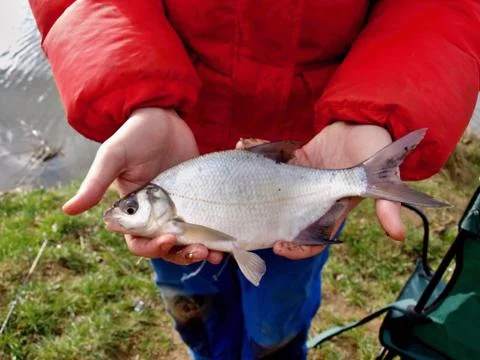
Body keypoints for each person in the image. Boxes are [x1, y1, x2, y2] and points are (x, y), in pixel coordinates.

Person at [29, 1, 480, 358]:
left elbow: (443, 9)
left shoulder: (175, 199)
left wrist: (374, 114)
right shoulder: (166, 185)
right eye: (132, 210)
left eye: (131, 209)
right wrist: (138, 98)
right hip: (175, 134)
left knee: (277, 318)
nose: (125, 214)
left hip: (315, 140)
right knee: (195, 306)